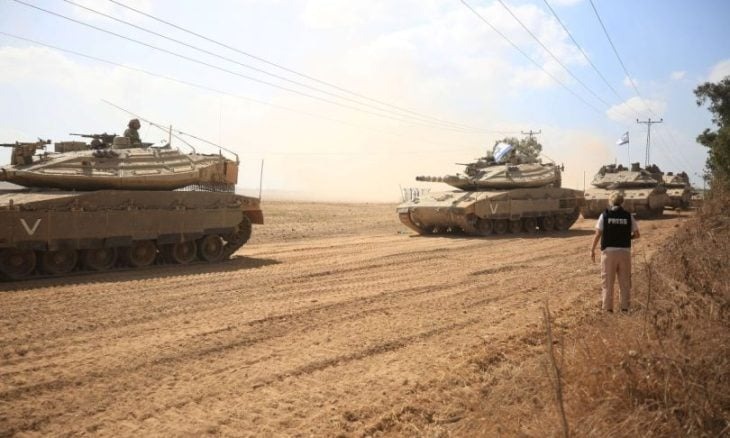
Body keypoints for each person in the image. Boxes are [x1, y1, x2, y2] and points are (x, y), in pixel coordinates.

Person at [590, 192, 640, 313]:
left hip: (609, 254)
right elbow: (637, 234)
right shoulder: (628, 216)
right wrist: (626, 237)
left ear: (610, 202)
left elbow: (598, 233)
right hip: (624, 253)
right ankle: (625, 308)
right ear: (622, 202)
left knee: (607, 282)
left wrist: (592, 249)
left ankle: (608, 309)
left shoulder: (605, 215)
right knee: (625, 282)